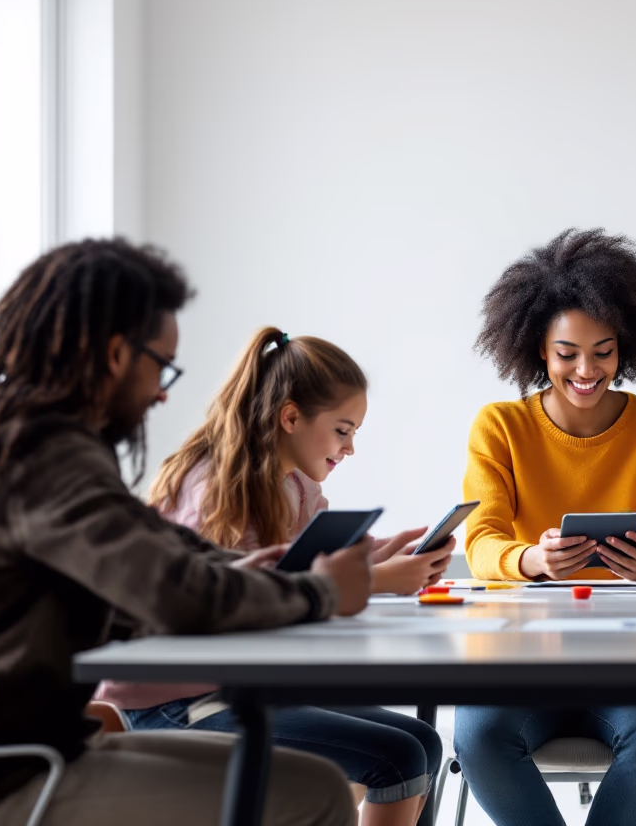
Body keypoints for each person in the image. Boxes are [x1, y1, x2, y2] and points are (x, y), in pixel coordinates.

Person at [0, 238, 367, 826]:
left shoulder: (28, 438)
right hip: (13, 773)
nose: (163, 390)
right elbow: (173, 591)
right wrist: (321, 592)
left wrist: (244, 570)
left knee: (304, 777)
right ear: (117, 353)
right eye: (161, 366)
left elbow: (158, 547)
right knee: (313, 793)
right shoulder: (43, 455)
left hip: (45, 748)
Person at [96, 327, 446, 826]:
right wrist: (370, 583)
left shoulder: (296, 485)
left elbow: (292, 577)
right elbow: (224, 611)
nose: (349, 449)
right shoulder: (215, 492)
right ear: (290, 417)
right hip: (174, 701)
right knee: (398, 759)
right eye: (343, 430)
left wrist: (367, 564)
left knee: (423, 742)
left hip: (238, 686)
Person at [456, 228, 636, 826]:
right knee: (479, 734)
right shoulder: (499, 427)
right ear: (537, 350)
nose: (587, 369)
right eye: (567, 353)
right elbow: (483, 539)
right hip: (521, 657)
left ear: (626, 346)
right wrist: (532, 561)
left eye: (603, 350)